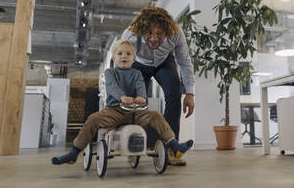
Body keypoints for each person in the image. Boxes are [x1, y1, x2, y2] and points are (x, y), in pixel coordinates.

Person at [52, 39, 193, 165]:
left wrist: (142, 97)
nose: (124, 56)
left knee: (156, 115)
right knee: (93, 119)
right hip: (114, 111)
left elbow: (141, 87)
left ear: (134, 59)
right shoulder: (110, 73)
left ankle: (174, 146)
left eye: (128, 54)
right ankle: (74, 152)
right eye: (120, 54)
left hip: (135, 112)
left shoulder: (137, 73)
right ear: (114, 57)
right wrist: (122, 97)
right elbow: (112, 87)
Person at [121, 6, 195, 166]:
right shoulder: (130, 35)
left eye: (159, 33)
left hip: (163, 63)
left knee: (175, 94)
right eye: (149, 33)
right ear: (141, 30)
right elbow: (121, 63)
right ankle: (134, 145)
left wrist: (190, 94)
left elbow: (184, 62)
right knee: (137, 101)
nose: (154, 38)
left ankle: (171, 149)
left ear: (166, 31)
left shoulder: (176, 33)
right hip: (138, 64)